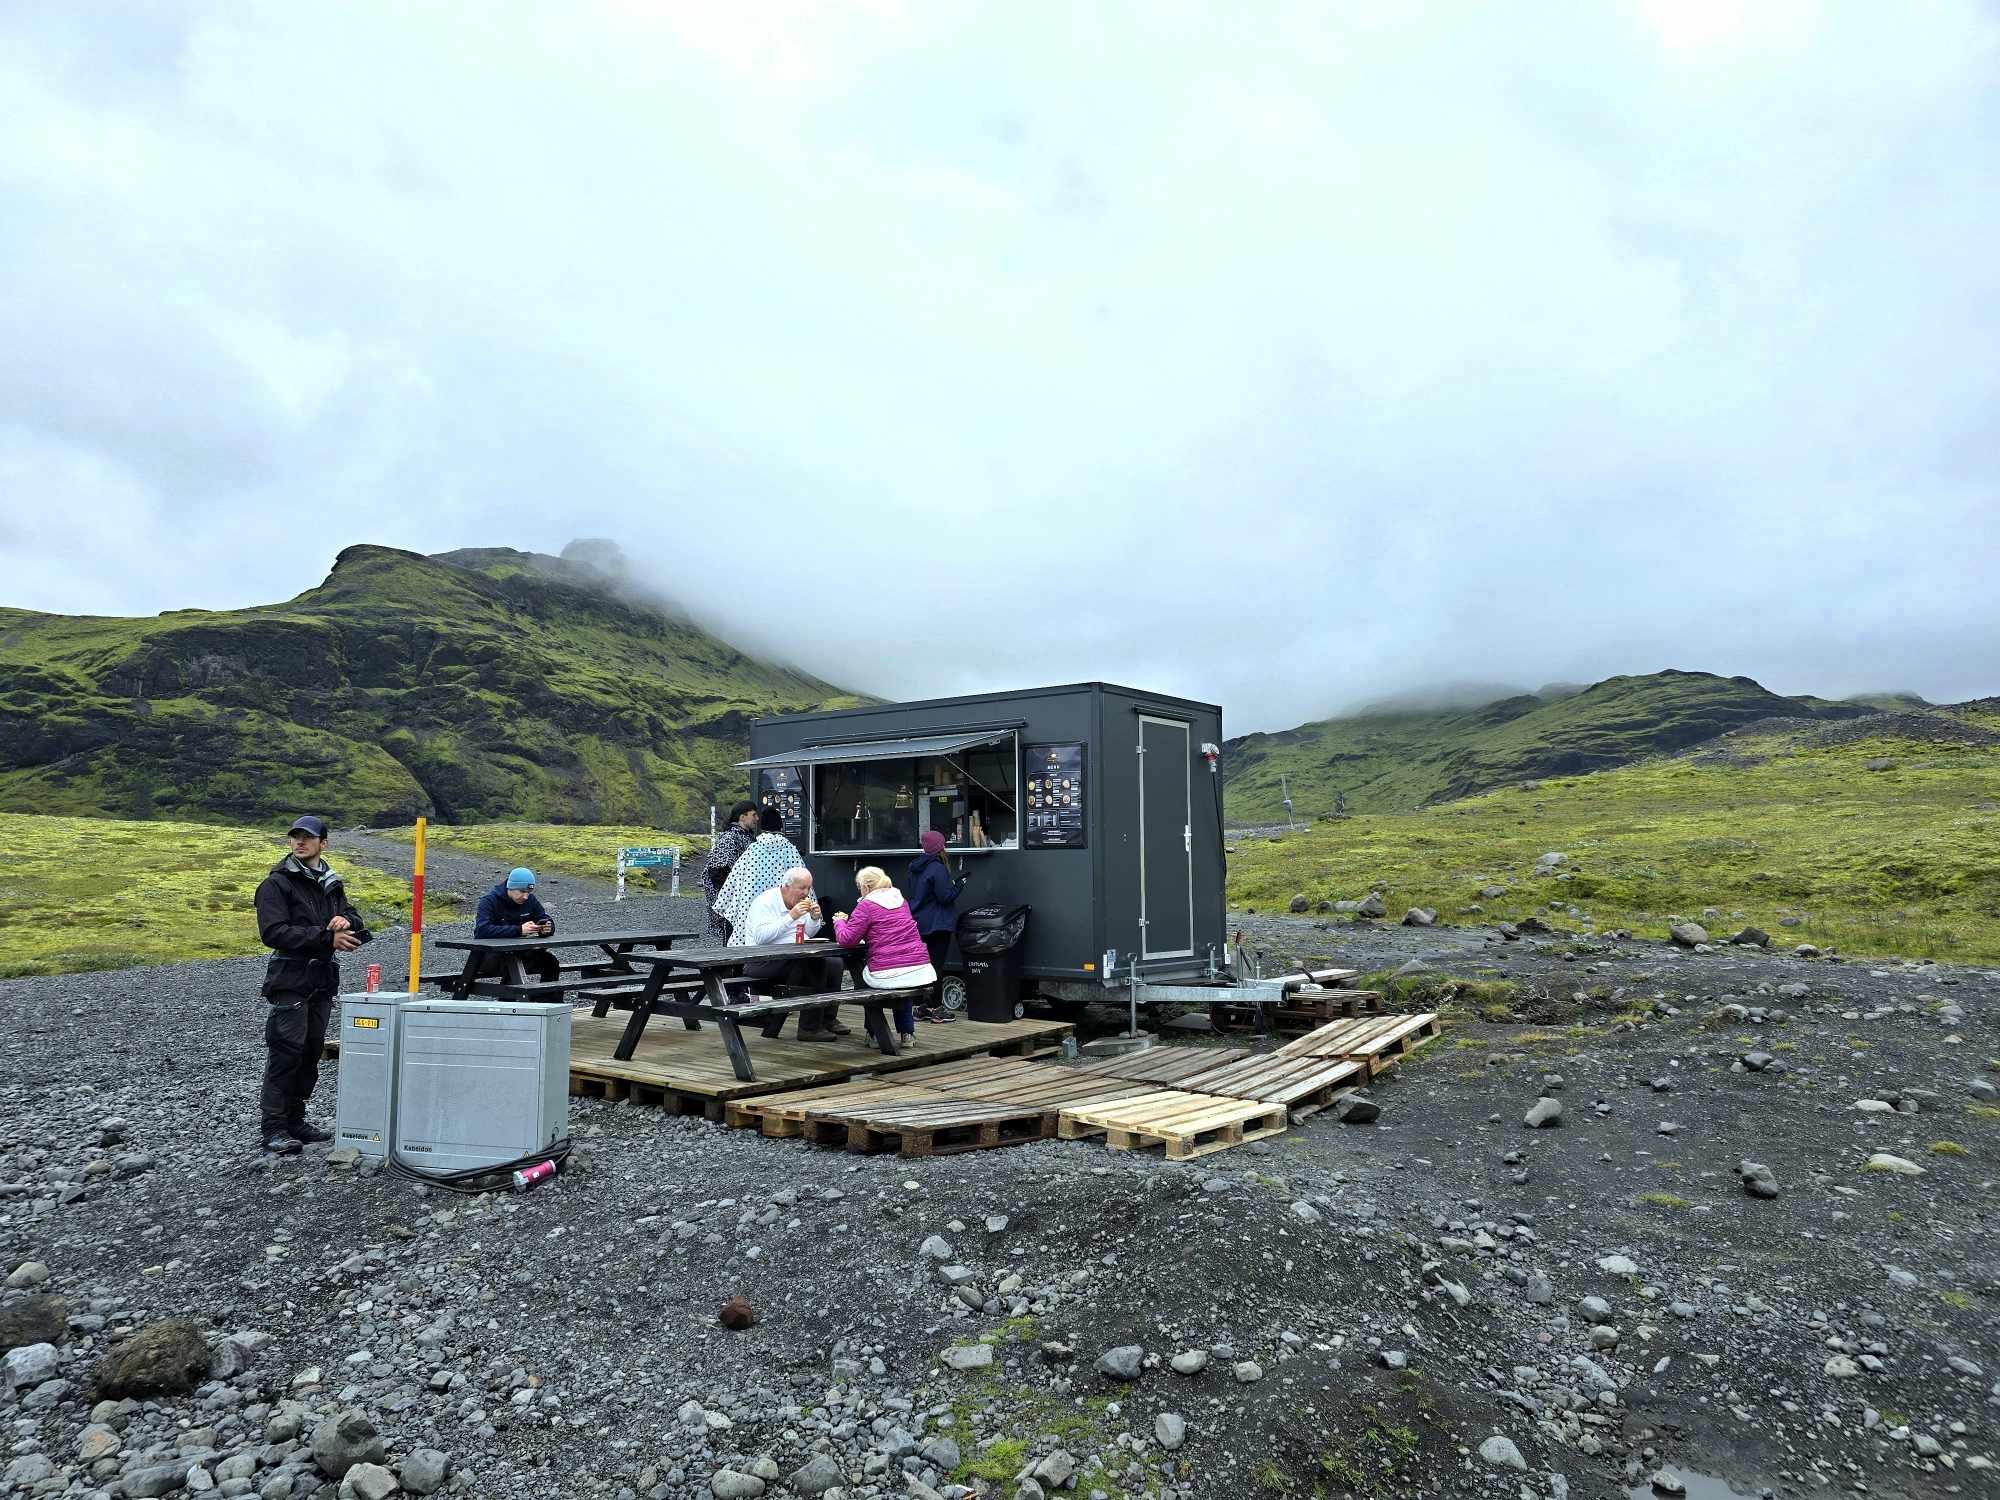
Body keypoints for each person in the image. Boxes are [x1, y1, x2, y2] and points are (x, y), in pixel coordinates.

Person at [252, 815, 373, 1155]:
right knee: (285, 1051)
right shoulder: (276, 884)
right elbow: (273, 932)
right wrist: (326, 936)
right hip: (290, 978)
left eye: (307, 837)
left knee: (310, 1051)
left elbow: (358, 924)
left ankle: (296, 1120)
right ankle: (274, 1128)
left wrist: (347, 922)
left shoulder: (332, 883)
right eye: (295, 837)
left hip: (322, 980)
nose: (299, 842)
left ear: (324, 842)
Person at [832, 867, 936, 1051]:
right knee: (902, 978)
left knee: (865, 982)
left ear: (865, 886)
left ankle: (873, 1034)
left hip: (887, 972)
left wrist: (839, 922)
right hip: (918, 968)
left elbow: (847, 939)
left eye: (859, 886)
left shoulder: (866, 905)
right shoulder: (901, 901)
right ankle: (907, 1033)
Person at [733, 866, 844, 1040]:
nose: (806, 893)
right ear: (786, 886)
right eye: (802, 888)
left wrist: (815, 919)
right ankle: (809, 1028)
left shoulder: (801, 900)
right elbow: (761, 937)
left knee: (834, 963)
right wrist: (790, 916)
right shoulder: (765, 902)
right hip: (762, 961)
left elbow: (808, 931)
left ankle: (827, 1019)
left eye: (809, 888)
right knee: (815, 963)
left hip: (792, 957)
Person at [712, 804, 806, 942]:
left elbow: (733, 881)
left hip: (750, 906)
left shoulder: (753, 849)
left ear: (762, 827)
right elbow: (803, 879)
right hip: (781, 908)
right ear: (781, 827)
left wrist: (723, 904)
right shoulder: (790, 850)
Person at [908, 830, 966, 1024]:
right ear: (940, 847)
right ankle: (936, 1009)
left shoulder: (915, 867)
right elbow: (944, 897)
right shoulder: (937, 868)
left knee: (921, 965)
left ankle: (920, 1008)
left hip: (919, 921)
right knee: (936, 966)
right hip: (938, 924)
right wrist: (959, 885)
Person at [474, 867, 558, 983]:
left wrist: (547, 928)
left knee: (550, 961)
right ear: (510, 886)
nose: (525, 897)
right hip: (491, 957)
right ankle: (507, 999)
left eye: (528, 892)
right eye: (522, 891)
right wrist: (519, 930)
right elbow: (482, 930)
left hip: (520, 953)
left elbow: (544, 917)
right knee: (516, 963)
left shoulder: (530, 901)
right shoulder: (489, 901)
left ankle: (548, 1000)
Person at [702, 801, 760, 944]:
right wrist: (733, 896)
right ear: (742, 817)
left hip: (742, 900)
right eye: (754, 815)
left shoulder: (746, 836)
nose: (757, 819)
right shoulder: (729, 837)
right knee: (731, 938)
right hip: (732, 904)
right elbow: (716, 870)